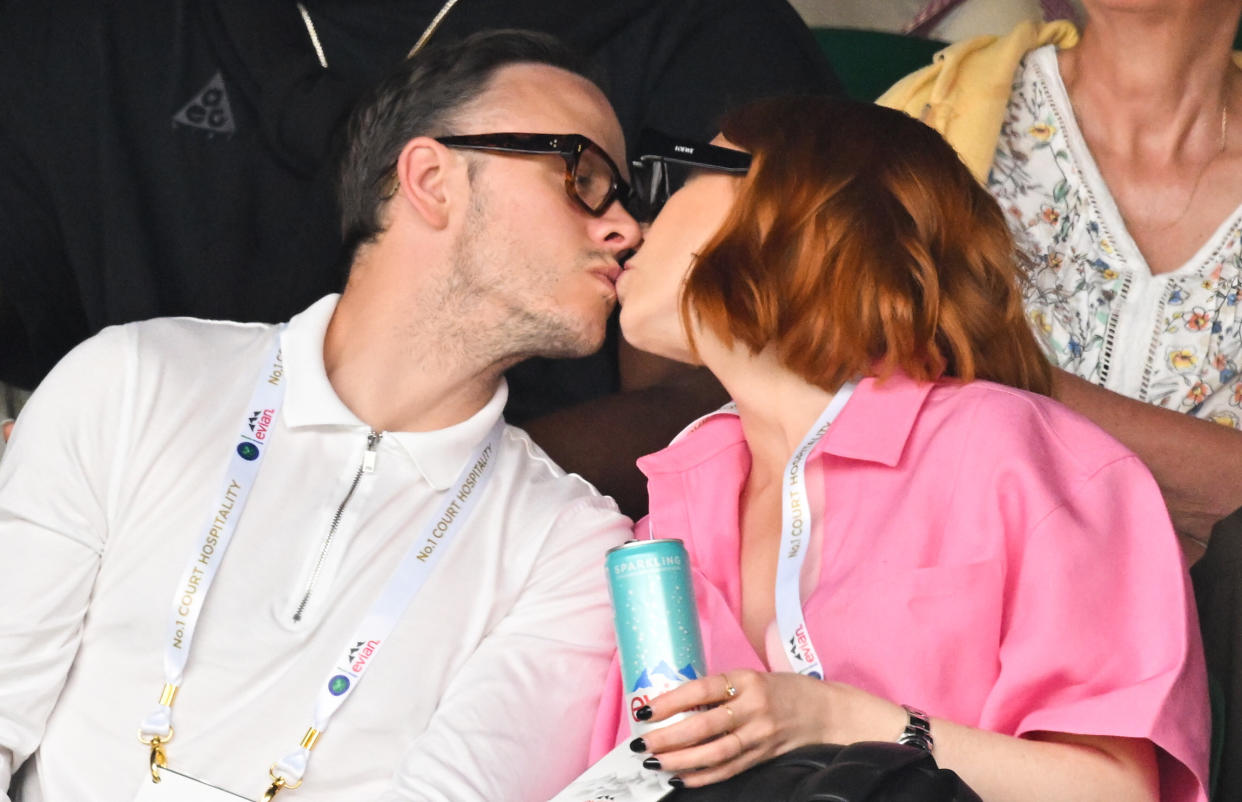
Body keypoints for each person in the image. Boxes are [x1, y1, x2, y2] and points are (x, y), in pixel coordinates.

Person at [0, 30, 641, 801]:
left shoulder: (570, 545)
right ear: (432, 178)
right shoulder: (133, 380)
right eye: (582, 175)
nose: (625, 229)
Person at [590, 97, 1209, 801]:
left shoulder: (1021, 455)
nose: (630, 225)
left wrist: (835, 718)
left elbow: (1116, 792)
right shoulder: (669, 510)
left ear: (792, 206)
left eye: (678, 175)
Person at [0, 0, 840, 517]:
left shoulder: (701, 32)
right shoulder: (71, 31)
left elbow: (753, 389)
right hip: (151, 551)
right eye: (579, 179)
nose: (621, 227)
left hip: (525, 570)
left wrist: (415, 498)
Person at [877, 4, 1242, 558]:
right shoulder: (932, 112)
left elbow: (903, 363)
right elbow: (832, 376)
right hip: (933, 609)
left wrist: (977, 375)